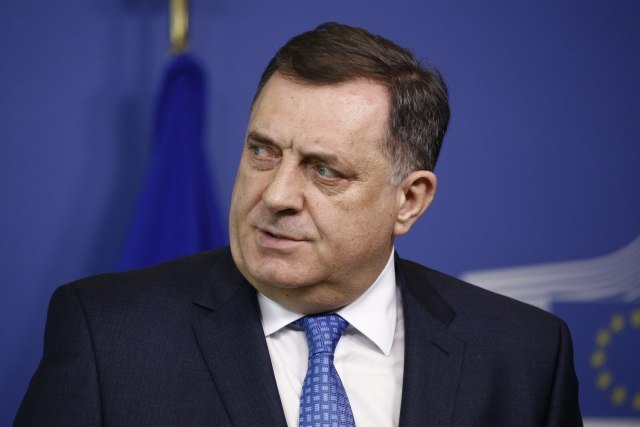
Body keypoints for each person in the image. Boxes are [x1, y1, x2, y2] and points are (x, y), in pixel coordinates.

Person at [15, 22, 582, 426]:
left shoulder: (524, 355)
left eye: (324, 169)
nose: (277, 195)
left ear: (409, 200)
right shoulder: (108, 335)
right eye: (263, 151)